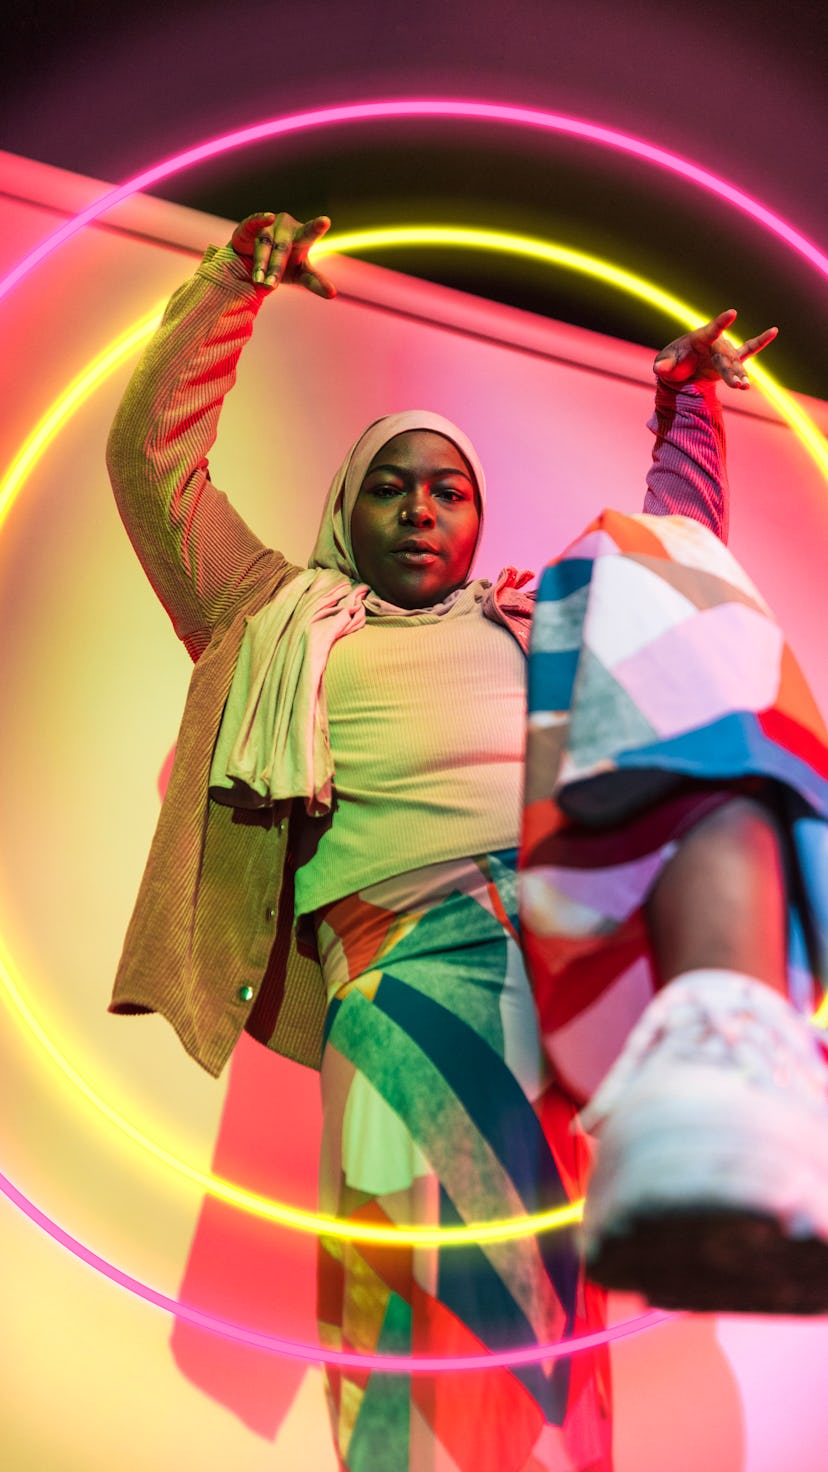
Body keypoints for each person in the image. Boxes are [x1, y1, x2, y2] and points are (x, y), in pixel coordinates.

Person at [106, 210, 828, 1472]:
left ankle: (728, 1030)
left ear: (479, 517)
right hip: (395, 977)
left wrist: (689, 409)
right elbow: (148, 464)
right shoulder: (271, 612)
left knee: (550, 1320)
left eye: (449, 490)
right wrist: (232, 283)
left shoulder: (526, 624)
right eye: (392, 485)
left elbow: (679, 550)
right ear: (350, 504)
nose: (421, 510)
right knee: (413, 1303)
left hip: (554, 963)